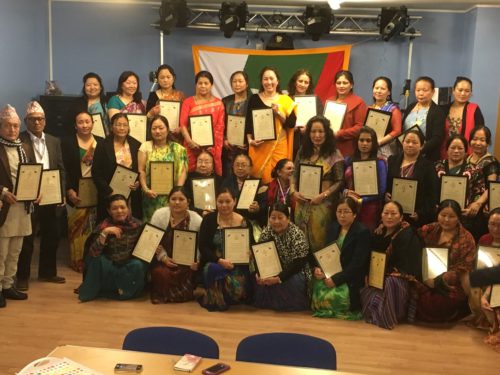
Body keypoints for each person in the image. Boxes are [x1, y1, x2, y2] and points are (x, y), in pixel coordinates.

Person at [17, 101, 66, 290]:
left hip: (51, 196)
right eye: (32, 120)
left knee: (51, 236)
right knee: (27, 239)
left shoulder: (54, 141)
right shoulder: (19, 140)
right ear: (26, 121)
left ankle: (48, 272)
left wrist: (61, 193)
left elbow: (60, 168)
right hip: (29, 197)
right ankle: (23, 276)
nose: (36, 123)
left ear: (45, 121)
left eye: (40, 119)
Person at [360, 201, 422, 329]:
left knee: (389, 282)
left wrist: (386, 273)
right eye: (386, 213)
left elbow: (408, 264)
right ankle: (376, 314)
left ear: (401, 217)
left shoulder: (407, 234)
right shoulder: (379, 233)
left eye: (393, 213)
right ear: (381, 215)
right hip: (379, 275)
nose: (389, 217)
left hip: (401, 278)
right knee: (368, 286)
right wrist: (369, 273)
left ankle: (388, 317)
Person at [416, 199, 476, 323]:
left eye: (451, 216)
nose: (446, 220)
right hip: (426, 276)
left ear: (458, 218)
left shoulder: (466, 238)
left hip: (451, 283)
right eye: (443, 215)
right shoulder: (430, 229)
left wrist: (440, 280)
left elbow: (464, 267)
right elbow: (411, 235)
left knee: (437, 303)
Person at [78, 194, 147, 302]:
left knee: (138, 265)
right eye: (115, 208)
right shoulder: (103, 226)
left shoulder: (138, 225)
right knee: (97, 260)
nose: (119, 211)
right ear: (109, 211)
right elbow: (92, 253)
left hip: (129, 265)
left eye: (123, 207)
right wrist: (105, 233)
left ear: (128, 209)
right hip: (110, 265)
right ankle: (106, 290)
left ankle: (126, 292)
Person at [311, 197, 370, 319]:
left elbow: (357, 264)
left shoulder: (362, 232)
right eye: (339, 211)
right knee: (316, 284)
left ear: (354, 214)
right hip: (331, 272)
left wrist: (336, 279)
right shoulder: (333, 228)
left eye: (346, 212)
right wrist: (320, 268)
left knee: (334, 297)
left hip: (350, 278)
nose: (342, 215)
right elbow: (326, 253)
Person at [61, 111, 104, 272]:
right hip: (75, 191)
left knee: (94, 226)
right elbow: (63, 168)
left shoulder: (101, 142)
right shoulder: (67, 143)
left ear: (93, 123)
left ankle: (92, 260)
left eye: (87, 121)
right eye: (80, 122)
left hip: (95, 190)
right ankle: (77, 261)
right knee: (76, 227)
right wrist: (68, 190)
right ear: (75, 125)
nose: (84, 125)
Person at [293, 115, 344, 251]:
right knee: (300, 243)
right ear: (308, 133)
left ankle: (318, 271)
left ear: (327, 133)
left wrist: (323, 195)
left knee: (320, 243)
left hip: (322, 205)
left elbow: (340, 181)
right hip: (301, 204)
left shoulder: (335, 154)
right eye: (313, 131)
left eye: (321, 131)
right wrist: (293, 192)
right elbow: (294, 175)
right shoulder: (302, 152)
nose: (317, 135)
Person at [198, 187, 253, 311]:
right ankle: (219, 298)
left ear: (235, 201)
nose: (224, 205)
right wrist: (219, 260)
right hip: (216, 262)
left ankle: (224, 296)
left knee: (239, 284)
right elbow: (203, 247)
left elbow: (252, 245)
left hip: (238, 267)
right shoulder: (209, 220)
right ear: (216, 202)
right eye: (220, 202)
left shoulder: (244, 222)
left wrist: (250, 253)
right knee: (212, 269)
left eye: (228, 201)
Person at [0, 105, 32, 307]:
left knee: (16, 249)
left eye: (15, 126)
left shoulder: (24, 147)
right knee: (1, 250)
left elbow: (34, 174)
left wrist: (37, 191)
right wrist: (2, 192)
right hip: (4, 207)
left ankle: (8, 285)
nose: (12, 130)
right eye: (8, 126)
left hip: (23, 206)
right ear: (1, 127)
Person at [253, 203, 312, 311]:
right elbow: (260, 255)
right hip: (272, 270)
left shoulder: (296, 234)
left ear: (288, 219)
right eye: (273, 218)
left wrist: (278, 278)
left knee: (291, 283)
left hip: (294, 271)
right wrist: (259, 273)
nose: (276, 221)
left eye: (280, 218)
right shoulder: (266, 232)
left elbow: (298, 263)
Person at [149, 186, 202, 304]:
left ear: (188, 202)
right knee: (160, 273)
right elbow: (153, 240)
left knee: (187, 273)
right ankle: (164, 293)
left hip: (186, 261)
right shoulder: (159, 215)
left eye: (181, 199)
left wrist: (197, 261)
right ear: (168, 201)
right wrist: (164, 258)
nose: (177, 202)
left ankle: (181, 293)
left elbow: (199, 245)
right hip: (164, 258)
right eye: (173, 199)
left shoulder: (196, 220)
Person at [246, 66, 296, 184]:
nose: (269, 82)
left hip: (279, 147)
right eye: (265, 79)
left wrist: (278, 113)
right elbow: (248, 123)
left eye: (271, 79)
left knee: (280, 178)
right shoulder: (254, 98)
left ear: (277, 81)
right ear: (261, 81)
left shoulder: (285, 100)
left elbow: (291, 124)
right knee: (259, 180)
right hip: (259, 147)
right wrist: (249, 141)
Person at [435, 134, 486, 240]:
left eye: (460, 148)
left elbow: (479, 192)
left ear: (466, 151)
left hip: (464, 217)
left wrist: (473, 206)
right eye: (453, 148)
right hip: (440, 217)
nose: (456, 151)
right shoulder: (436, 167)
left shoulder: (474, 170)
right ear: (447, 149)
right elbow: (429, 189)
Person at [92, 113, 142, 222]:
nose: (122, 128)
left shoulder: (136, 145)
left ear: (129, 127)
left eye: (125, 125)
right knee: (109, 226)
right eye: (118, 125)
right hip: (109, 195)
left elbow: (140, 169)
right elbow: (96, 172)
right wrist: (109, 191)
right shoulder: (102, 145)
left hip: (131, 195)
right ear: (112, 127)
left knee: (131, 225)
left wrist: (138, 183)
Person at [138, 114, 188, 222]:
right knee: (152, 228)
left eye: (161, 128)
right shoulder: (145, 146)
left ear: (167, 129)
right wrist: (146, 189)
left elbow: (183, 172)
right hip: (150, 196)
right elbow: (141, 170)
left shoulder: (178, 149)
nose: (157, 131)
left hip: (172, 198)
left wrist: (176, 193)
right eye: (154, 128)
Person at [386, 129, 438, 227]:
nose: (410, 145)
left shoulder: (428, 166)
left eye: (414, 142)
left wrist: (420, 213)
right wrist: (386, 194)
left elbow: (432, 194)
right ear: (402, 143)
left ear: (422, 146)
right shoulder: (392, 160)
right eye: (407, 141)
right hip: (392, 214)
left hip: (414, 216)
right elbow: (387, 184)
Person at [180, 71, 225, 176]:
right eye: (200, 83)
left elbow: (220, 127)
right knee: (190, 176)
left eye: (206, 83)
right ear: (196, 85)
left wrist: (212, 146)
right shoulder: (188, 102)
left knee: (210, 176)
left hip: (212, 148)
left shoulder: (218, 103)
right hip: (192, 147)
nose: (203, 86)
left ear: (211, 85)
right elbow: (183, 125)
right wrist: (190, 141)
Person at [343, 127, 387, 230]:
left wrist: (361, 200)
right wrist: (345, 192)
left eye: (368, 141)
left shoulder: (380, 163)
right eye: (361, 140)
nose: (364, 143)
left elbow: (381, 190)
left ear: (374, 143)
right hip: (349, 206)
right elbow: (341, 183)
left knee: (365, 237)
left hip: (370, 209)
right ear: (356, 142)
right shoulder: (348, 160)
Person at [402, 76, 446, 161]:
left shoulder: (437, 112)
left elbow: (437, 138)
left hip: (426, 156)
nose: (421, 93)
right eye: (418, 90)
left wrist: (419, 149)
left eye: (425, 90)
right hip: (406, 154)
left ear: (433, 92)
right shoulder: (410, 107)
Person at [440, 76, 485, 159]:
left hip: (466, 156)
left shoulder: (474, 109)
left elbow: (480, 134)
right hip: (444, 155)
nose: (463, 93)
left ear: (471, 93)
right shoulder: (442, 109)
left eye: (467, 91)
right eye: (460, 90)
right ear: (453, 90)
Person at [327, 70, 367, 157]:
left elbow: (360, 127)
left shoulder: (359, 102)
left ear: (351, 85)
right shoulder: (329, 101)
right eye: (339, 83)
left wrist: (340, 133)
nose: (341, 86)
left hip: (348, 149)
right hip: (328, 147)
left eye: (345, 83)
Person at [220, 153, 265, 227]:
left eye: (243, 165)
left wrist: (258, 208)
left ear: (250, 167)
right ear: (233, 167)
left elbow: (264, 204)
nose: (240, 168)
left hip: (251, 221)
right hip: (230, 221)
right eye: (237, 165)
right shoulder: (226, 182)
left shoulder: (258, 183)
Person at [287, 69, 323, 159]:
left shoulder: (315, 100)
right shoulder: (286, 99)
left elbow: (321, 121)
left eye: (306, 82)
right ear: (295, 82)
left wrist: (309, 128)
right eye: (300, 81)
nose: (303, 84)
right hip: (290, 142)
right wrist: (291, 127)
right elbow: (281, 123)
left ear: (309, 85)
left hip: (310, 143)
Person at [146, 64, 185, 143]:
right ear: (157, 79)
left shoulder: (180, 95)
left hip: (176, 137)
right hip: (158, 136)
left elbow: (185, 117)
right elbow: (146, 118)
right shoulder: (153, 96)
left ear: (173, 78)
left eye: (168, 77)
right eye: (162, 77)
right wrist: (151, 112)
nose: (165, 80)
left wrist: (181, 128)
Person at [222, 71, 250, 178]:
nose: (237, 84)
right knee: (229, 178)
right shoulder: (225, 101)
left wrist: (248, 141)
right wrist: (224, 139)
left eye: (240, 81)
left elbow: (255, 125)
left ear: (246, 84)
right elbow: (221, 124)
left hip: (246, 147)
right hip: (229, 148)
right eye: (234, 81)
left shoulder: (252, 101)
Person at [369, 76, 402, 158]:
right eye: (376, 88)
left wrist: (379, 142)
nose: (379, 91)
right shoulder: (369, 108)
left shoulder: (393, 109)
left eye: (382, 89)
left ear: (389, 92)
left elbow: (397, 131)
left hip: (386, 148)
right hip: (369, 147)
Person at [467, 126, 499, 211]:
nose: (478, 143)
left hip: (481, 206)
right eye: (475, 139)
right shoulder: (466, 159)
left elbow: (491, 187)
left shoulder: (491, 162)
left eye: (482, 140)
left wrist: (478, 204)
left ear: (488, 143)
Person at [184, 150, 222, 217]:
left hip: (215, 215)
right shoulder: (188, 178)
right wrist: (200, 212)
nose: (203, 165)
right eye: (200, 161)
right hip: (193, 214)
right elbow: (186, 200)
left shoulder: (219, 180)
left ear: (213, 165)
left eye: (207, 162)